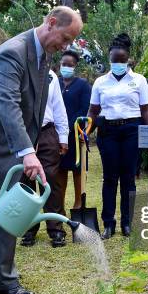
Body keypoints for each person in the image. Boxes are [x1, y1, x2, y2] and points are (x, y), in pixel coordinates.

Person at [0, 6, 83, 294]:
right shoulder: (12, 53)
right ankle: (6, 281)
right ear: (51, 23)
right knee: (9, 207)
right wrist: (27, 152)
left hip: (15, 144)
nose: (65, 47)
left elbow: (36, 106)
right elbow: (8, 104)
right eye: (66, 38)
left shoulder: (44, 56)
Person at [87, 33, 148, 240]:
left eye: (121, 61)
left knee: (128, 179)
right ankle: (108, 223)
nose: (117, 63)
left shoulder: (139, 80)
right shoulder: (100, 82)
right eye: (114, 61)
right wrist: (85, 131)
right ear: (110, 60)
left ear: (128, 60)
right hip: (108, 132)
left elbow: (146, 111)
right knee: (109, 178)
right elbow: (93, 111)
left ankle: (127, 223)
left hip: (131, 130)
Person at [21, 70, 70, 248]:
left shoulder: (50, 75)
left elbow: (58, 106)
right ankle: (28, 228)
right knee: (25, 181)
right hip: (23, 132)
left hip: (47, 131)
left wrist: (63, 137)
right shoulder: (20, 71)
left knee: (50, 180)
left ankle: (56, 229)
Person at [56, 50, 91, 210]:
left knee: (78, 169)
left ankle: (78, 204)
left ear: (75, 66)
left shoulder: (83, 85)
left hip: (76, 135)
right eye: (64, 64)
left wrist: (69, 126)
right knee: (60, 170)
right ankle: (60, 205)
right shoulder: (54, 83)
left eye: (70, 65)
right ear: (59, 65)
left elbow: (85, 109)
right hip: (57, 136)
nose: (66, 67)